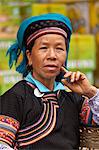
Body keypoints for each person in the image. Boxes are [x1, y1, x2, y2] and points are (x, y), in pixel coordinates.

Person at [0, 13, 99, 150]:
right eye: (44, 48)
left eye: (59, 48)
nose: (52, 56)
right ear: (29, 56)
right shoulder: (16, 97)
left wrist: (90, 91)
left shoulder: (73, 98)